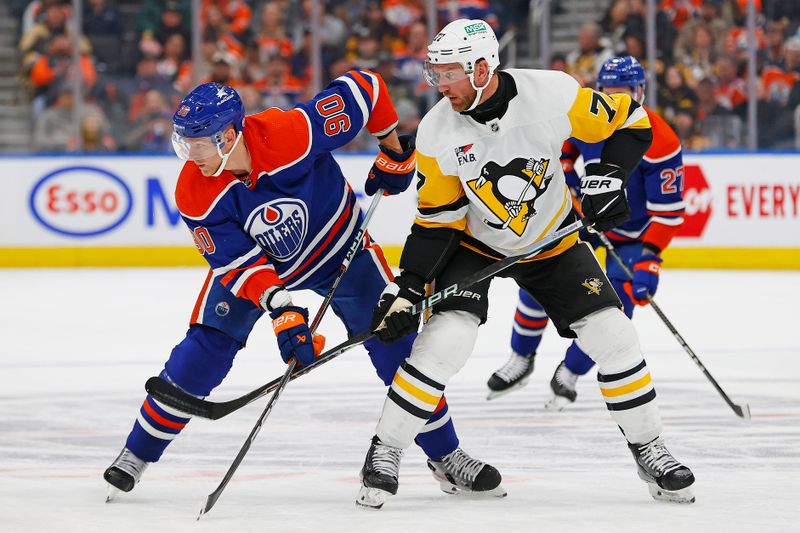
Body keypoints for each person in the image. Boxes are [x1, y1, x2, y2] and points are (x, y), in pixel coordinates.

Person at [104, 73, 503, 500]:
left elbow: (365, 88)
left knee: (397, 347)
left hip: (341, 252)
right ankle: (137, 454)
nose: (190, 155)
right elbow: (238, 263)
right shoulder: (194, 191)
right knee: (201, 354)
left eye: (197, 144)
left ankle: (446, 456)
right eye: (185, 144)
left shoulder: (291, 133)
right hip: (265, 270)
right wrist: (283, 309)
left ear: (228, 136)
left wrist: (391, 147)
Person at [357, 20, 695, 509]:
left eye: (448, 72)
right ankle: (384, 451)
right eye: (436, 73)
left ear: (480, 67)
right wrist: (409, 287)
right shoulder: (435, 131)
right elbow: (437, 219)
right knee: (445, 343)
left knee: (615, 337)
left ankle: (649, 447)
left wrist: (610, 174)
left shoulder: (553, 93)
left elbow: (633, 120)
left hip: (552, 240)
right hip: (474, 245)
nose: (439, 84)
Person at [486, 57, 686, 412]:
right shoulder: (589, 115)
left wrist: (650, 259)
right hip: (587, 219)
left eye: (624, 92)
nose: (616, 99)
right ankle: (522, 357)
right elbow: (562, 149)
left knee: (615, 309)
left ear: (640, 91)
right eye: (610, 92)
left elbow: (668, 212)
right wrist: (570, 180)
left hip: (633, 234)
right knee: (540, 279)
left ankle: (571, 371)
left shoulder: (661, 139)